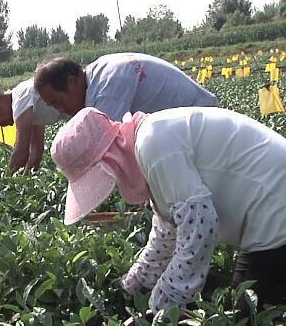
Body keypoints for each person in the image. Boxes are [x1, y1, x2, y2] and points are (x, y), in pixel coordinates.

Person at [50, 106, 286, 314]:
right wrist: (134, 284)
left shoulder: (153, 144)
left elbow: (199, 225)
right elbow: (167, 232)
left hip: (276, 200)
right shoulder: (148, 143)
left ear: (109, 157)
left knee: (247, 312)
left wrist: (165, 301)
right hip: (270, 205)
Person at [34, 53, 218, 121]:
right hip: (189, 121)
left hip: (202, 120)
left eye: (58, 102)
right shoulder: (99, 76)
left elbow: (110, 148)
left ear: (72, 81)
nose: (61, 110)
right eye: (54, 107)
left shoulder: (107, 88)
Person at [0, 78, 64, 173]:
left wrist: (6, 182)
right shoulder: (27, 106)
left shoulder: (20, 100)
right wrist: (25, 179)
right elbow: (36, 151)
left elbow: (21, 151)